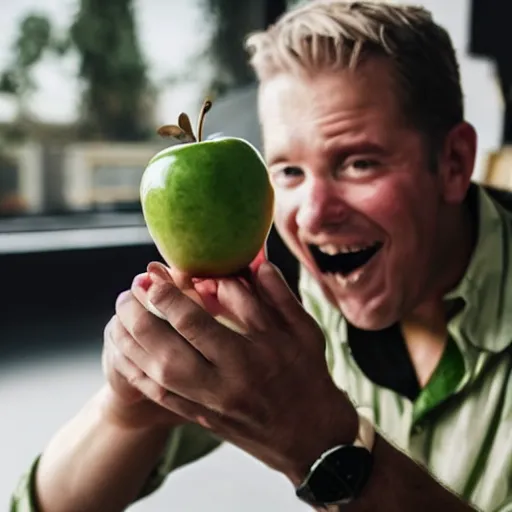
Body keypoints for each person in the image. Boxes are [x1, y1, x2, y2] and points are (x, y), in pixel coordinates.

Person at [10, 1, 512, 511]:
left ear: (453, 163)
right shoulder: (281, 299)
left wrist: (322, 445)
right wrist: (129, 410)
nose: (312, 216)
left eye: (359, 164)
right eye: (289, 172)